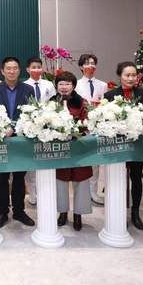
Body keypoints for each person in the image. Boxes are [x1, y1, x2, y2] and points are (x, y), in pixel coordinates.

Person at [104, 61, 143, 231]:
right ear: (120, 76)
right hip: (118, 146)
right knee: (117, 178)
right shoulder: (110, 95)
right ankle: (118, 212)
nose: (131, 78)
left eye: (134, 75)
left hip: (137, 144)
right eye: (127, 75)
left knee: (136, 177)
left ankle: (135, 212)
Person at [0, 57, 35, 228]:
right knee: (1, 177)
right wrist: (3, 129)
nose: (12, 71)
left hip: (20, 140)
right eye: (8, 68)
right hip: (2, 139)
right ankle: (2, 212)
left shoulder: (28, 89)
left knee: (19, 176)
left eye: (15, 68)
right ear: (2, 71)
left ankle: (19, 211)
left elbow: (31, 114)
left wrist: (15, 129)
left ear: (19, 70)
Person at [51, 71, 92, 231]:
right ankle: (62, 213)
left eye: (67, 83)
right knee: (60, 181)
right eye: (61, 83)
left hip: (79, 148)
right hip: (60, 150)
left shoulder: (82, 102)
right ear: (56, 86)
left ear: (73, 86)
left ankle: (78, 214)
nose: (64, 87)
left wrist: (75, 130)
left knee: (81, 181)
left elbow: (87, 122)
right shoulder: (51, 102)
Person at [75, 53, 109, 206]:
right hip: (81, 127)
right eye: (87, 63)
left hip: (98, 127)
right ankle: (81, 192)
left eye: (93, 63)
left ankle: (93, 192)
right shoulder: (76, 85)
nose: (90, 66)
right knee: (82, 161)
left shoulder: (103, 85)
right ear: (81, 67)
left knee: (95, 162)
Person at [23, 56, 56, 205]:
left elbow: (54, 104)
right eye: (33, 67)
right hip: (29, 127)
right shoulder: (24, 85)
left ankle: (45, 192)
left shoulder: (48, 84)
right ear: (27, 69)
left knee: (45, 159)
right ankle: (32, 194)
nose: (36, 70)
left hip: (47, 126)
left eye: (38, 67)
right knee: (30, 162)